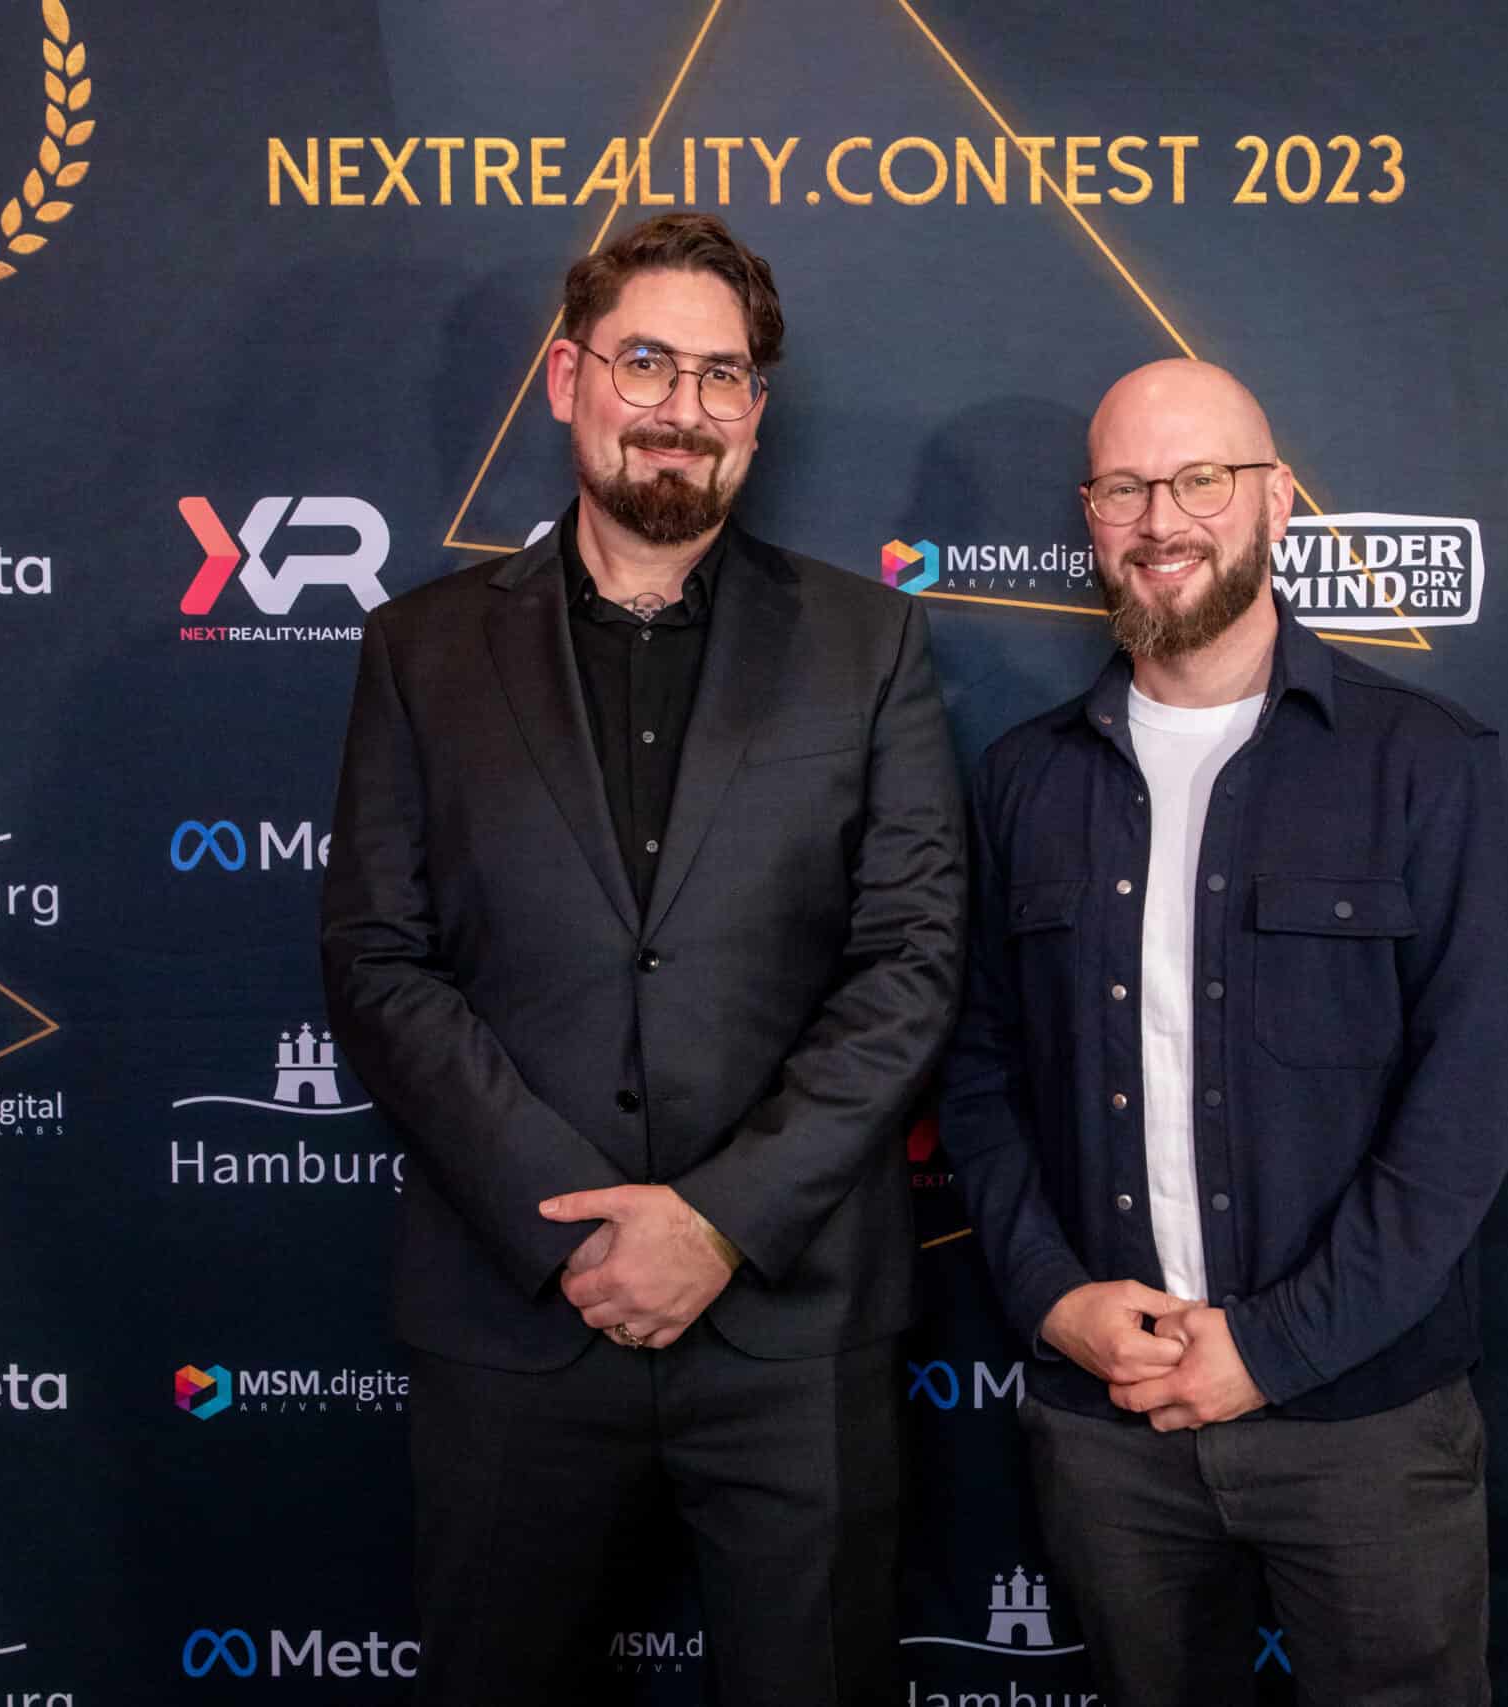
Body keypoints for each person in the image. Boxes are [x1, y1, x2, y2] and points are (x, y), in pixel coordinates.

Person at [320, 212, 967, 1706]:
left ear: (757, 409)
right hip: (515, 1314)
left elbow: (912, 959)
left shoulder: (868, 643)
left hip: (791, 1328)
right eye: (647, 363)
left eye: (722, 375)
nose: (683, 407)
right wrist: (575, 1231)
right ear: (569, 379)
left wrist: (719, 1223)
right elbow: (379, 961)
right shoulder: (420, 651)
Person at [941, 359, 1508, 1706]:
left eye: (1201, 480)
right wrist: (1054, 1298)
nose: (1163, 521)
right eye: (1126, 489)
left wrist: (1277, 1345)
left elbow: (1476, 1091)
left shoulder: (1421, 761)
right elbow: (979, 1078)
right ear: (1090, 516)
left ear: (1276, 499)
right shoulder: (1025, 780)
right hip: (1111, 1426)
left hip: (1364, 1421)